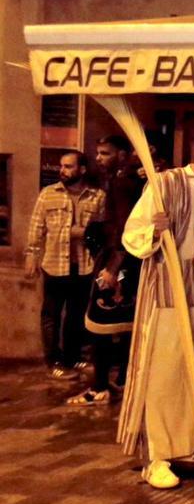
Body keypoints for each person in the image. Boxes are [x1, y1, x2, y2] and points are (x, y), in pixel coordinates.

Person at [116, 126, 194, 489]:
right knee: (164, 373)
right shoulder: (165, 184)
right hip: (170, 292)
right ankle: (156, 456)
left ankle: (185, 443)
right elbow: (133, 234)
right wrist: (157, 229)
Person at [68, 135, 144, 405]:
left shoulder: (123, 183)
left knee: (102, 323)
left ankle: (100, 386)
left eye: (105, 153)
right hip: (122, 261)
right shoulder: (121, 179)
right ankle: (118, 381)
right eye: (98, 153)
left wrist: (113, 270)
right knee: (118, 325)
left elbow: (125, 230)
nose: (99, 158)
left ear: (122, 155)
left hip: (119, 264)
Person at [24, 150, 107, 381]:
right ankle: (53, 362)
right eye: (62, 166)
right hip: (54, 263)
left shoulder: (97, 196)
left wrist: (86, 233)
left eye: (69, 166)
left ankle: (72, 357)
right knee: (51, 314)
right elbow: (36, 227)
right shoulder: (48, 194)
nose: (63, 170)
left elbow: (102, 232)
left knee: (76, 314)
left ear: (82, 169)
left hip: (83, 265)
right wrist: (31, 254)